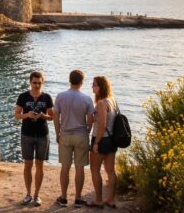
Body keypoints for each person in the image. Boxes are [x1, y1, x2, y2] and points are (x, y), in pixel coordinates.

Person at [53, 70, 95, 208]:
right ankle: (77, 198)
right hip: (81, 135)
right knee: (79, 168)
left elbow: (55, 116)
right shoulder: (87, 99)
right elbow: (91, 120)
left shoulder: (60, 96)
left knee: (65, 167)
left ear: (69, 80)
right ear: (82, 82)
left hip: (65, 134)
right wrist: (87, 132)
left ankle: (64, 198)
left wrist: (58, 133)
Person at [14, 71, 54, 207]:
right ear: (30, 82)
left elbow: (52, 117)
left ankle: (37, 195)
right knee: (27, 165)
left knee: (40, 165)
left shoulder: (47, 97)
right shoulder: (23, 96)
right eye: (34, 82)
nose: (36, 85)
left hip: (43, 135)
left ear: (42, 82)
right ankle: (28, 194)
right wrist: (27, 115)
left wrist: (43, 115)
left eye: (39, 83)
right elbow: (17, 115)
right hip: (27, 135)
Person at [89, 76, 118, 208]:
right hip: (112, 139)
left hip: (101, 139)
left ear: (101, 87)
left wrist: (96, 143)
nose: (92, 87)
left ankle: (99, 200)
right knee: (110, 171)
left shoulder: (101, 104)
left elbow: (102, 124)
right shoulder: (112, 101)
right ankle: (111, 200)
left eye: (94, 85)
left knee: (94, 169)